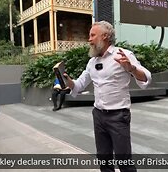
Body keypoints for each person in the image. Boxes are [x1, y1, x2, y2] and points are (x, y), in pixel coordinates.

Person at [64, 21, 151, 172]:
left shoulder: (123, 55)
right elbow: (78, 86)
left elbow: (146, 79)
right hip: (98, 115)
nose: (89, 39)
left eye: (92, 35)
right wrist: (67, 80)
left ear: (105, 36)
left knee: (124, 162)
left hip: (118, 116)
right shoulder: (92, 62)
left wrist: (131, 68)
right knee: (103, 160)